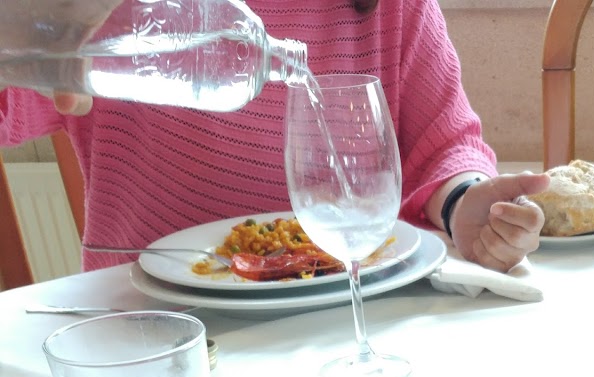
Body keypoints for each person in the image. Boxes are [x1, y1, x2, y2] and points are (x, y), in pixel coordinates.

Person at [0, 0, 548, 273]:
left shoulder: (393, 8)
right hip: (155, 330)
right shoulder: (117, 12)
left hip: (340, 316)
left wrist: (463, 201)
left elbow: (444, 144)